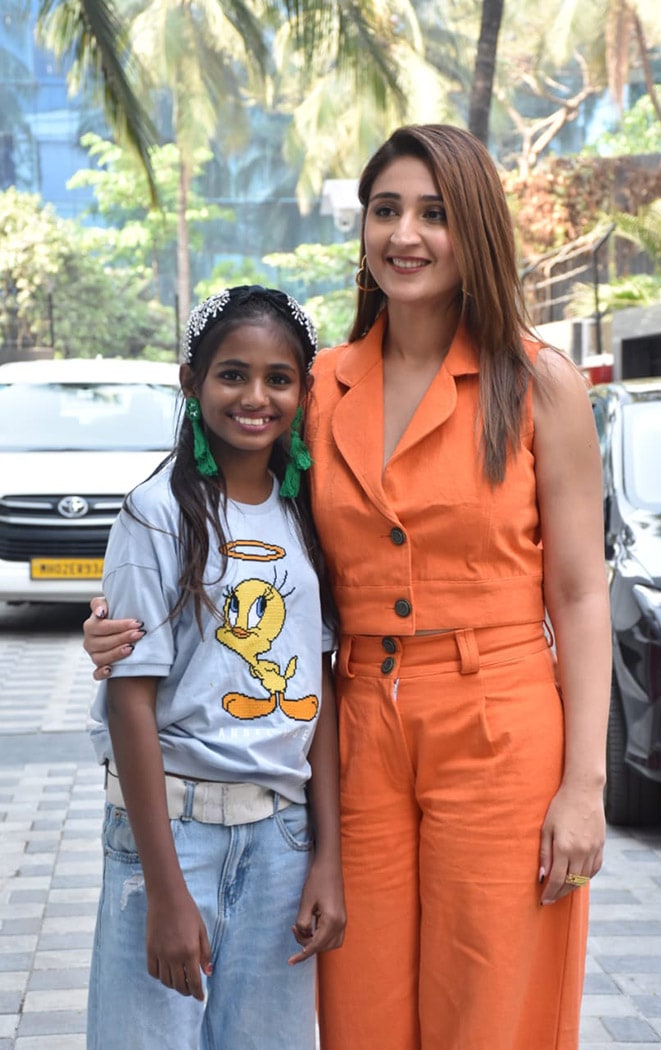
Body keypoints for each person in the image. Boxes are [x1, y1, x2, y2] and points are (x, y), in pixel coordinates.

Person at [83, 125, 610, 1050]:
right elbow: (226, 506)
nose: (405, 235)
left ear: (475, 229)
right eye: (385, 210)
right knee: (356, 1004)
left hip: (498, 723)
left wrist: (585, 785)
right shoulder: (323, 385)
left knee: (488, 1007)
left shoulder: (537, 383)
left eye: (435, 214)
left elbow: (578, 591)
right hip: (357, 722)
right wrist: (124, 617)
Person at [85, 285, 345, 1050]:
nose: (255, 397)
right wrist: (165, 892)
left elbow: (317, 687)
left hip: (282, 844)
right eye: (232, 374)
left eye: (279, 378)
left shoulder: (305, 511)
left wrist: (327, 858)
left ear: (303, 389)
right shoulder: (156, 512)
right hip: (172, 836)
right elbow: (131, 703)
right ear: (191, 381)